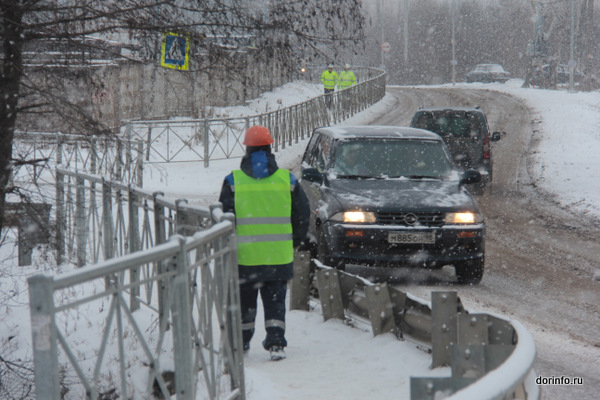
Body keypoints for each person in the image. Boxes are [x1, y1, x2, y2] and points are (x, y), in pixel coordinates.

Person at [218, 125, 310, 361]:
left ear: (247, 149)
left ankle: (241, 344)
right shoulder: (287, 180)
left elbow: (223, 219)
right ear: (270, 148)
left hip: (244, 258)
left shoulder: (233, 181)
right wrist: (295, 241)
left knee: (245, 304)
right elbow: (302, 214)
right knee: (275, 302)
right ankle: (276, 344)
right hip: (277, 257)